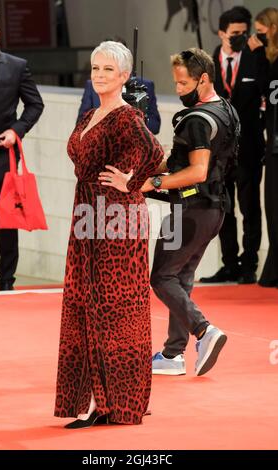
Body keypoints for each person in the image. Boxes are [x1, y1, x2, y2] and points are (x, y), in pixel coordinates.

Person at [101, 48, 239, 377]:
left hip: (190, 209)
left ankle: (205, 332)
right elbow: (180, 160)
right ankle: (173, 355)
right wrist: (142, 174)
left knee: (162, 277)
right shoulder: (226, 111)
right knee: (181, 277)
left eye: (183, 84)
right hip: (214, 210)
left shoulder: (195, 121)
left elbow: (196, 171)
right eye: (175, 83)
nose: (178, 90)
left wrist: (150, 183)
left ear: (203, 80)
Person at [54, 41, 164, 428]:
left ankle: (118, 403)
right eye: (95, 68)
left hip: (117, 221)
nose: (98, 75)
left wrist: (131, 182)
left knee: (116, 312)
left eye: (107, 70)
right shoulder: (88, 116)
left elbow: (155, 153)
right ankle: (98, 400)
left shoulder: (128, 116)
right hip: (87, 215)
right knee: (85, 306)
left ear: (124, 76)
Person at [200, 7, 268, 284]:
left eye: (244, 32)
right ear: (222, 33)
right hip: (217, 151)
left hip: (250, 147)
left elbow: (265, 95)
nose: (241, 37)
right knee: (222, 207)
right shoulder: (208, 62)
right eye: (235, 33)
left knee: (249, 206)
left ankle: (248, 264)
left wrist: (261, 52)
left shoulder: (256, 59)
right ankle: (229, 263)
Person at [0, 10, 44, 291]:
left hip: (1, 155)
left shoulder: (17, 66)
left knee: (6, 221)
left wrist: (16, 130)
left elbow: (35, 104)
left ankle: (7, 281)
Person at [77, 38, 161, 135]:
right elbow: (80, 124)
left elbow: (155, 126)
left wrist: (136, 117)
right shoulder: (93, 85)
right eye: (95, 68)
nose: (100, 75)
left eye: (109, 68)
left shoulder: (143, 86)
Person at [253, 8, 278, 287]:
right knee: (271, 207)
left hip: (275, 143)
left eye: (262, 30)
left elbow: (268, 90)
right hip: (272, 143)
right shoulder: (267, 58)